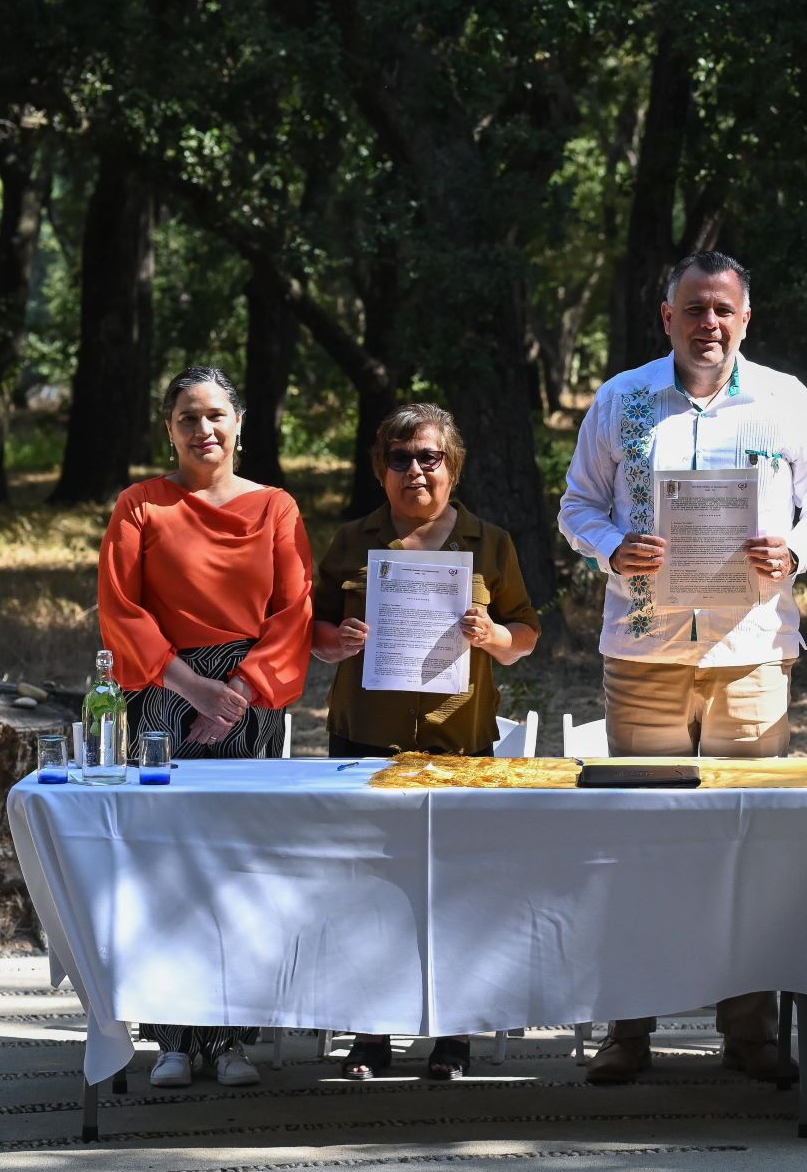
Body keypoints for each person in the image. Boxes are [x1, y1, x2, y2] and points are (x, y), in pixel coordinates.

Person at [558, 250, 807, 1085]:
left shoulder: (785, 401)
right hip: (646, 655)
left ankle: (749, 1029)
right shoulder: (622, 400)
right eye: (694, 308)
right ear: (668, 316)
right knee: (638, 842)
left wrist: (793, 547)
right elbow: (576, 502)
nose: (708, 323)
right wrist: (616, 547)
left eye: (723, 309)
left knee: (748, 846)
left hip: (750, 655)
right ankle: (629, 1027)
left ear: (746, 318)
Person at [97, 365, 314, 1090]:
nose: (204, 429)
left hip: (248, 700)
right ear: (169, 427)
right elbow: (120, 609)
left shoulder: (276, 508)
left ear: (240, 421)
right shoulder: (140, 507)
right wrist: (191, 686)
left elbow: (294, 612)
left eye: (216, 414)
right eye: (188, 416)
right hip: (163, 690)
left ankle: (229, 1037)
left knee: (236, 861)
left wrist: (241, 692)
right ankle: (172, 1039)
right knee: (165, 862)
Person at [312, 402, 542, 1082]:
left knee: (457, 892)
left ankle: (452, 1036)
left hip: (458, 750)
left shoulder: (489, 542)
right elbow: (314, 630)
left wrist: (493, 636)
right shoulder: (353, 541)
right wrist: (338, 641)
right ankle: (370, 1033)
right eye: (401, 458)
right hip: (364, 745)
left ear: (455, 465)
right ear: (380, 469)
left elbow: (524, 632)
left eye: (430, 458)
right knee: (368, 892)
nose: (416, 470)